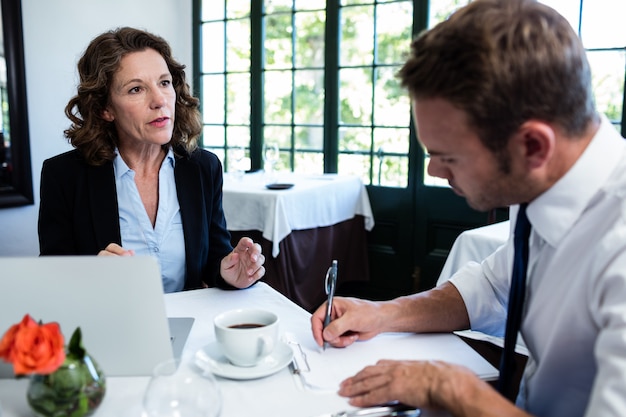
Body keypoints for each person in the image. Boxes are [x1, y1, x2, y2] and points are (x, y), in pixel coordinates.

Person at [311, 1, 626, 416]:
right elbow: (492, 289)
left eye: (449, 156)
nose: (433, 170)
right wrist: (382, 313)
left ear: (532, 146)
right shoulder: (542, 187)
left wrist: (453, 389)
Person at [38, 27, 265, 293]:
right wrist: (90, 276)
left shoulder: (203, 167)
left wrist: (229, 273)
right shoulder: (64, 175)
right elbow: (52, 280)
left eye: (164, 83)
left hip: (192, 328)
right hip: (111, 327)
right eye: (136, 89)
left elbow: (214, 258)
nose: (159, 100)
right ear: (105, 108)